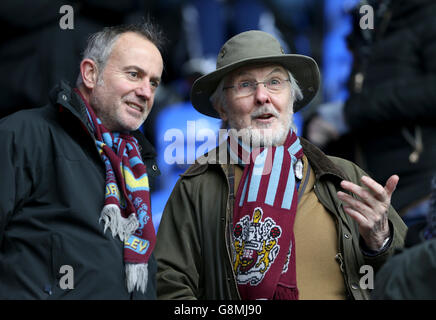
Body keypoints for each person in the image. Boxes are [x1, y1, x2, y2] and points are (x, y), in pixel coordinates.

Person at [154, 30, 407, 300]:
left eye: (275, 82)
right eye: (245, 85)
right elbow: (168, 286)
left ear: (292, 98)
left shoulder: (343, 175)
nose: (262, 96)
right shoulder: (197, 186)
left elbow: (410, 276)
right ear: (222, 108)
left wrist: (381, 241)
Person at [0, 21, 164, 299]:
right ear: (90, 73)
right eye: (134, 74)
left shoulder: (138, 168)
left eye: (153, 82)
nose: (146, 92)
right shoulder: (22, 135)